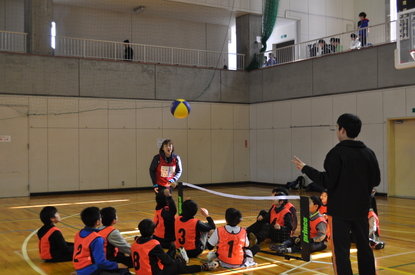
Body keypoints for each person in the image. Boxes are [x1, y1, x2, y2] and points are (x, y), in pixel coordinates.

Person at [292, 113, 380, 275]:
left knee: (340, 250)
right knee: (364, 246)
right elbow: (376, 181)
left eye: (337, 128)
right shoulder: (369, 153)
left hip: (340, 212)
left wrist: (306, 168)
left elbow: (327, 181)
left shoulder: (336, 153)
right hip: (361, 210)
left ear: (342, 130)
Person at [131, 219, 219, 275]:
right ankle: (202, 267)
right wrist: (174, 261)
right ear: (153, 230)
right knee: (178, 267)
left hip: (142, 272)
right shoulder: (153, 243)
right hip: (155, 272)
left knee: (170, 261)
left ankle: (180, 259)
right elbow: (167, 261)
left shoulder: (135, 243)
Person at [73, 207, 129, 275]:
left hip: (79, 268)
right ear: (98, 222)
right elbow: (100, 263)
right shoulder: (96, 238)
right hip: (91, 270)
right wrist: (116, 265)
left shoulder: (78, 234)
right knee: (123, 270)